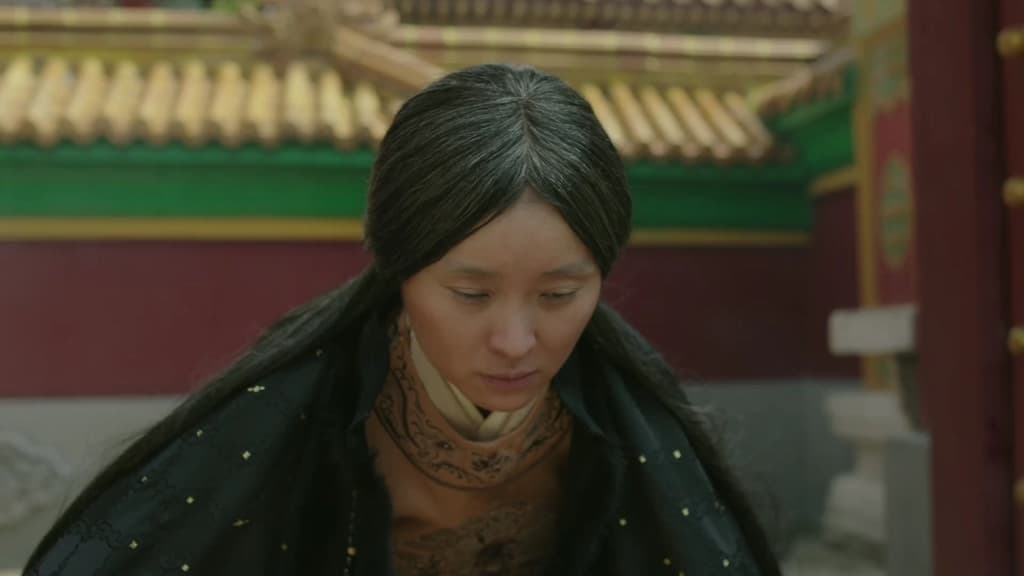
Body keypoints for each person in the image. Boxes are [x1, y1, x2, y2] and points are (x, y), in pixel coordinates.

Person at [24, 64, 781, 576]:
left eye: (559, 296)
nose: (517, 342)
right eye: (471, 294)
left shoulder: (632, 422)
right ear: (400, 272)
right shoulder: (287, 414)